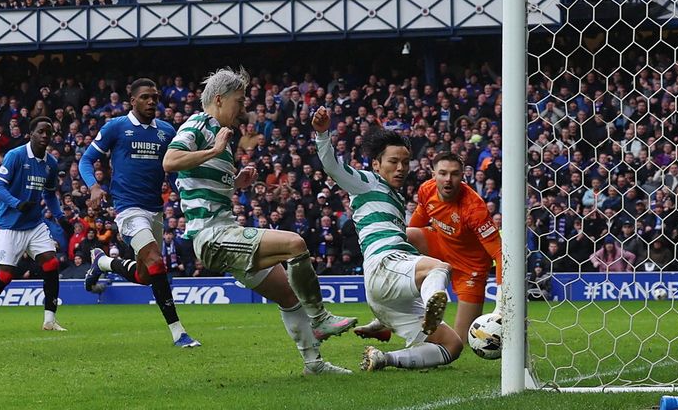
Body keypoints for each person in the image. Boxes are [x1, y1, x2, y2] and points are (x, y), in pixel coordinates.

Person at [162, 67, 355, 375]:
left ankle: (314, 365)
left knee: (288, 295)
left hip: (226, 232)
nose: (244, 108)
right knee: (295, 244)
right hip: (211, 236)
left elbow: (201, 184)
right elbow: (170, 161)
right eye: (239, 101)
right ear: (220, 99)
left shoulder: (219, 135)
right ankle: (319, 318)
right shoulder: (199, 125)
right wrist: (213, 149)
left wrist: (236, 182)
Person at [311, 106, 463, 372]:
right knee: (439, 268)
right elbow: (332, 167)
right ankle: (431, 305)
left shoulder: (395, 199)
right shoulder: (368, 182)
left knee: (452, 346)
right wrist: (323, 134)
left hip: (387, 293)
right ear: (377, 164)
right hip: (386, 264)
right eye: (394, 161)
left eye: (405, 162)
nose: (401, 168)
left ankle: (385, 357)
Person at [79, 78, 200, 348]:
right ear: (132, 100)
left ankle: (103, 263)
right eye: (145, 97)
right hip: (127, 209)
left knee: (146, 276)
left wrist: (181, 189)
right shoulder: (116, 127)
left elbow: (173, 170)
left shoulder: (167, 131)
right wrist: (94, 188)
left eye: (155, 97)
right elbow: (86, 159)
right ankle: (179, 332)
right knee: (157, 261)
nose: (151, 102)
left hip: (155, 209)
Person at [355, 151, 502, 342]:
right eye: (442, 173)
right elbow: (415, 226)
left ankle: (392, 323)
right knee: (404, 235)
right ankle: (387, 319)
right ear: (433, 173)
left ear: (463, 175)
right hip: (438, 246)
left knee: (461, 340)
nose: (448, 179)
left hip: (471, 267)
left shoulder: (474, 208)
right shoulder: (426, 190)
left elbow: (500, 253)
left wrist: (500, 304)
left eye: (454, 174)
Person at [0, 117, 70, 331]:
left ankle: (49, 320)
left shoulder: (51, 164)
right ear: (31, 134)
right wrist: (18, 204)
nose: (45, 136)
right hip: (9, 224)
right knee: (5, 275)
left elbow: (50, 194)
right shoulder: (15, 156)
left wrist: (60, 216)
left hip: (34, 224)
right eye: (41, 131)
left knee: (51, 263)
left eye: (49, 132)